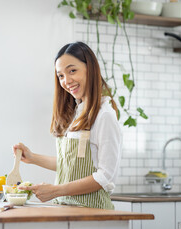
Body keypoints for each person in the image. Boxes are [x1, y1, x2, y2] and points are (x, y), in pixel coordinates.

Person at [14, 42, 122, 209]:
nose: (66, 81)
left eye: (72, 71)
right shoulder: (76, 114)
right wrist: (33, 158)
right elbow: (69, 164)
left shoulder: (105, 115)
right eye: (61, 75)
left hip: (93, 214)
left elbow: (105, 176)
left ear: (91, 69)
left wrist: (56, 191)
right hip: (66, 209)